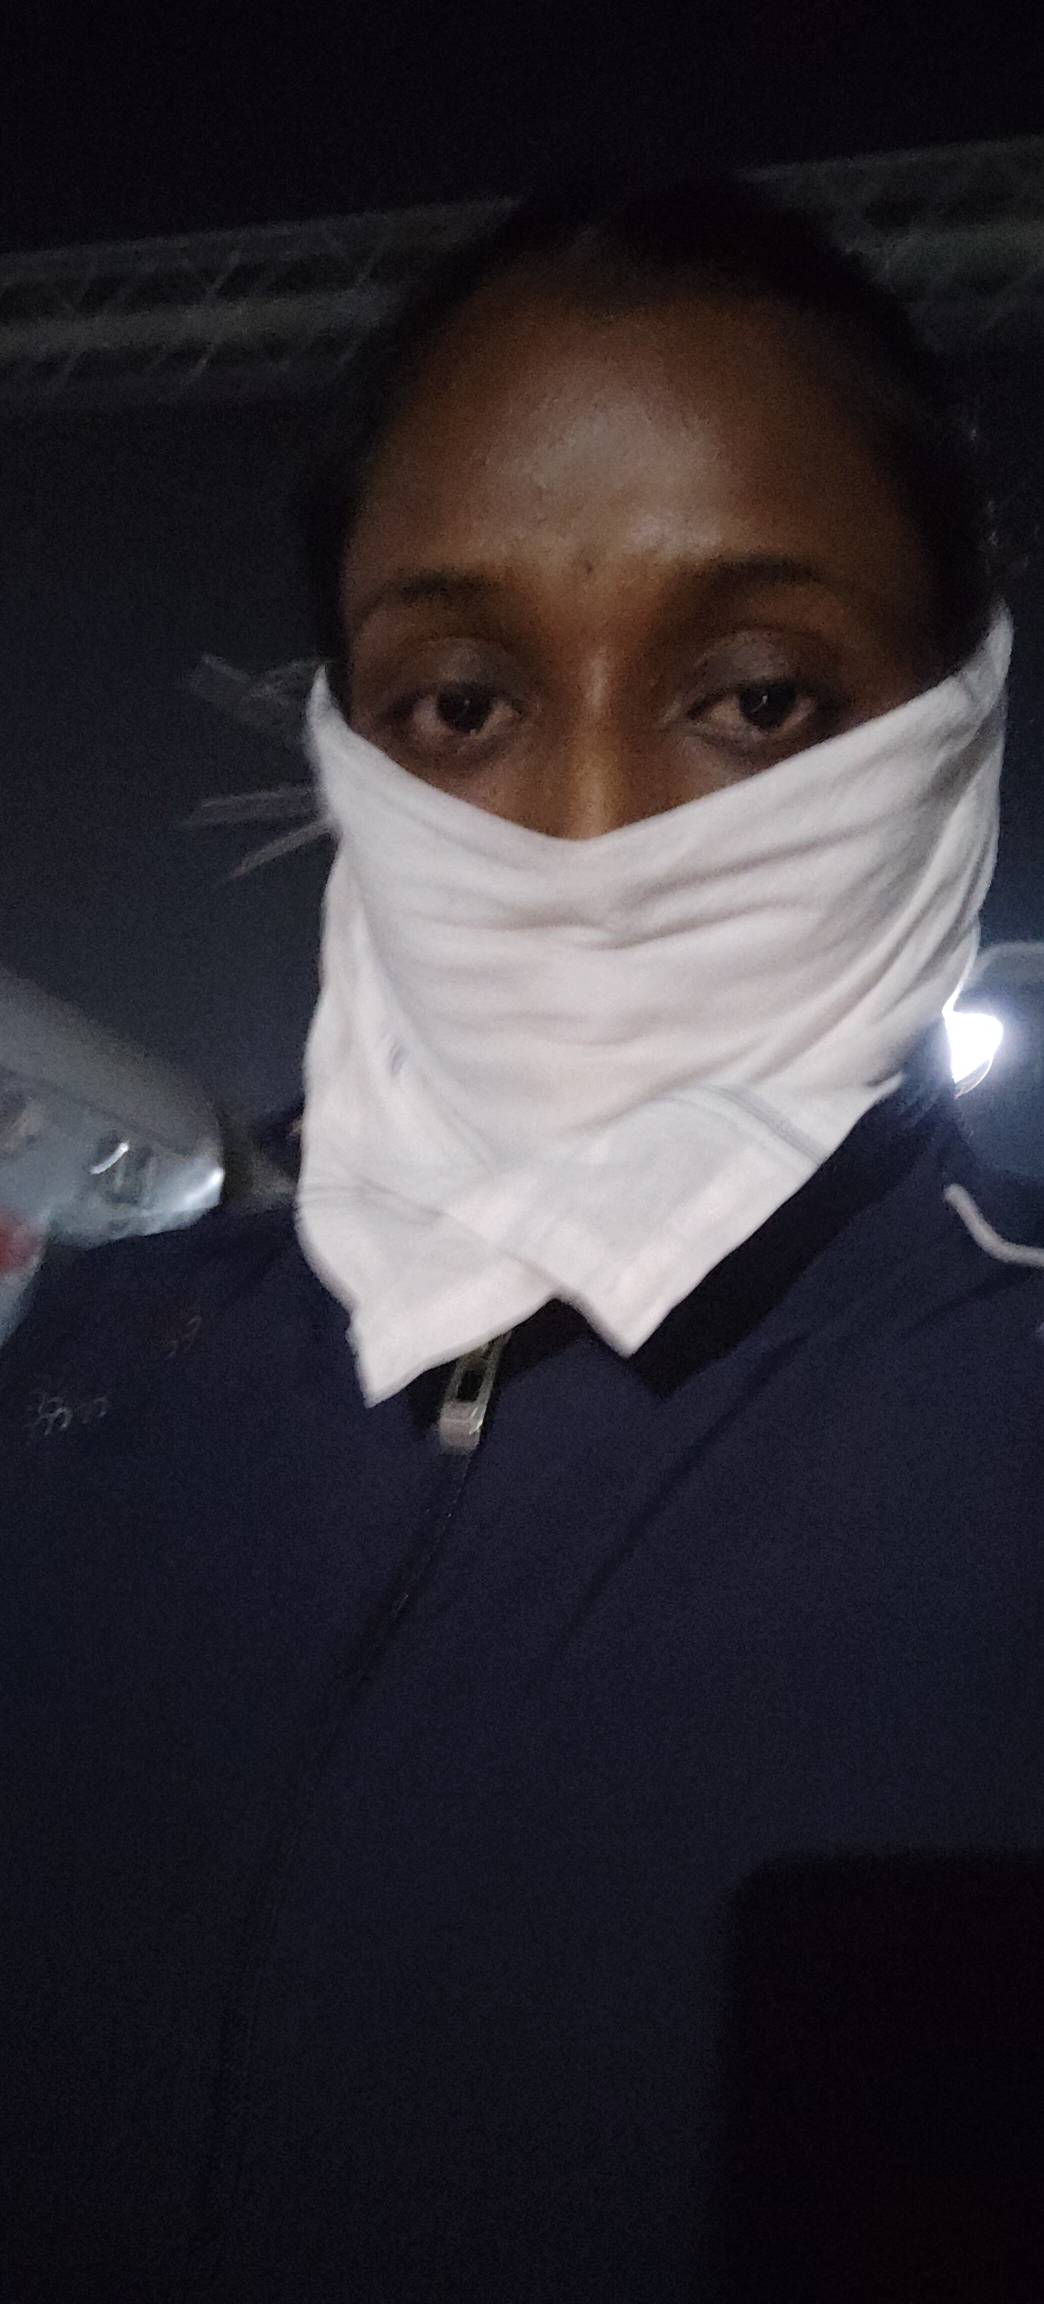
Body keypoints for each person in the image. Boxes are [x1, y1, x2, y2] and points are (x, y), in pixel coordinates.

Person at [2, 165, 1044, 2304]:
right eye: (464, 706)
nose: (590, 841)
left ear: (958, 716)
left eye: (758, 699)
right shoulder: (89, 1395)